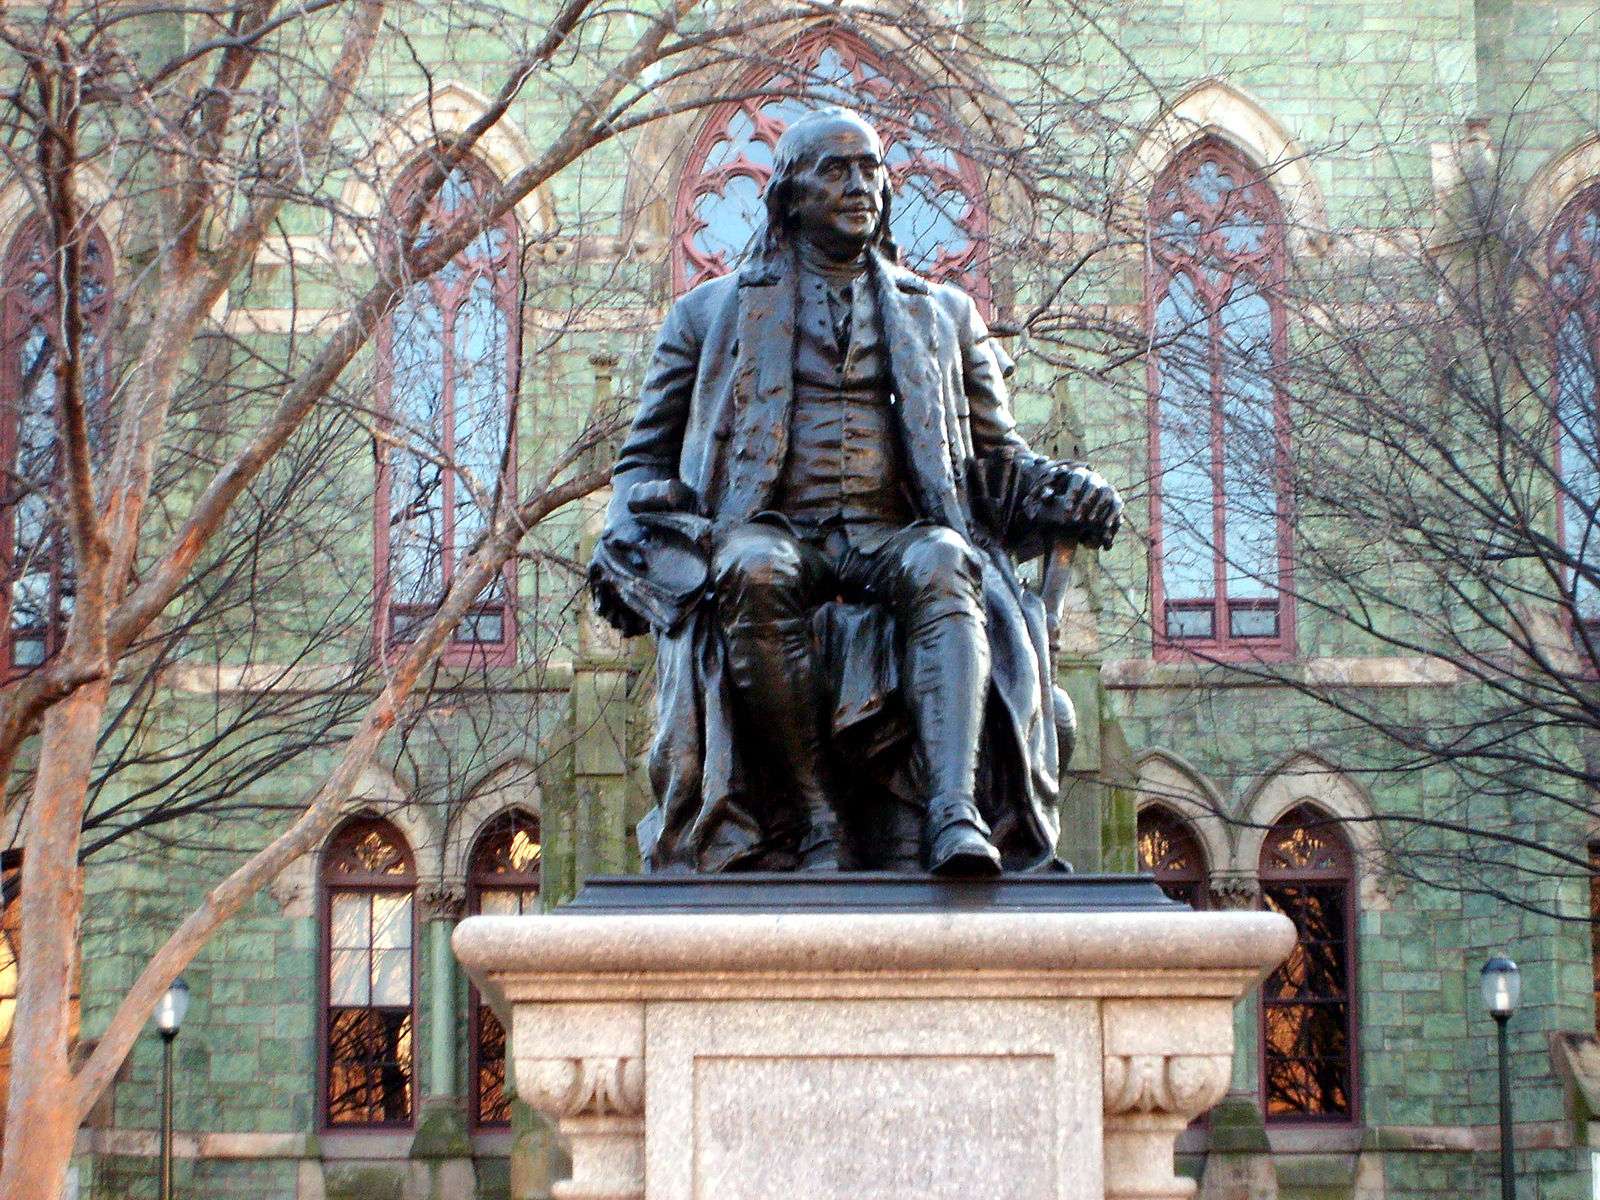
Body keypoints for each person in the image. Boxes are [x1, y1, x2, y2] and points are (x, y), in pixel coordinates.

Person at [591, 107, 1121, 876]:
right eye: (834, 171)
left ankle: (953, 814)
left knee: (946, 559)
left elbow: (997, 467)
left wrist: (1073, 492)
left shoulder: (944, 315)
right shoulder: (709, 314)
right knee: (753, 567)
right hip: (773, 528)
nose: (859, 186)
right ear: (788, 195)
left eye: (871, 169)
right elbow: (640, 464)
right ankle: (815, 818)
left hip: (894, 535)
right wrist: (628, 545)